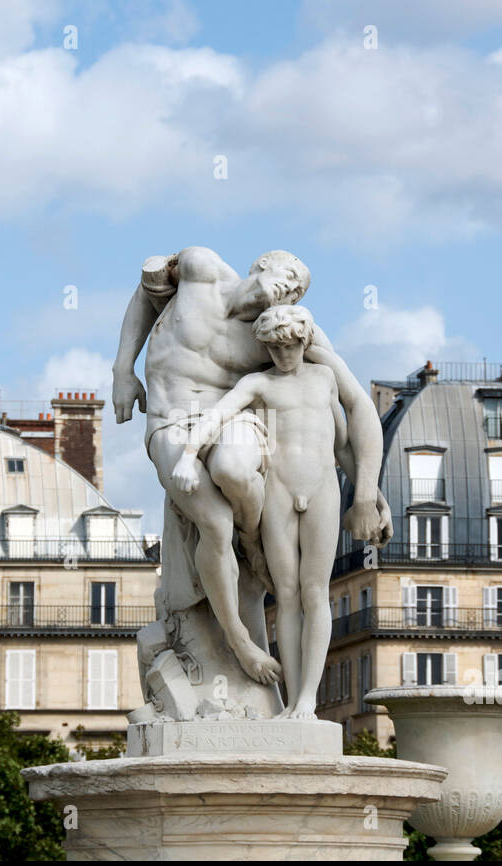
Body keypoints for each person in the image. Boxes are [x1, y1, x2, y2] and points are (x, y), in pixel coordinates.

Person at [112, 247, 391, 685]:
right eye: (290, 275)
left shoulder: (282, 334)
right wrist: (122, 369)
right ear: (260, 265)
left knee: (237, 470)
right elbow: (146, 295)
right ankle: (241, 642)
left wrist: (368, 491)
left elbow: (349, 412)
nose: (291, 290)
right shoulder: (200, 268)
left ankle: (252, 540)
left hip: (232, 419)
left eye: (298, 290)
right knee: (214, 522)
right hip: (171, 422)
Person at [171, 304, 340, 719]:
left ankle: (308, 701)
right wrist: (189, 454)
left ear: (304, 341)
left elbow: (346, 438)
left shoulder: (326, 377)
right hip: (281, 491)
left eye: (290, 345)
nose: (283, 354)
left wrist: (371, 493)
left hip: (322, 488)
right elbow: (218, 414)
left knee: (316, 593)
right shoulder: (258, 383)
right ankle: (292, 701)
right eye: (275, 347)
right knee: (286, 595)